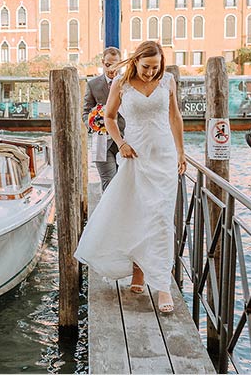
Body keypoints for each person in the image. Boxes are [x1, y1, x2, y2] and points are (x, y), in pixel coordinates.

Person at [74, 41, 186, 314]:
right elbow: (109, 117)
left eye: (155, 68)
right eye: (146, 67)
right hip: (135, 157)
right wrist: (121, 143)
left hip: (164, 157)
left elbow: (175, 117)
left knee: (160, 217)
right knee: (137, 214)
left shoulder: (167, 81)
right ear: (136, 61)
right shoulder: (121, 85)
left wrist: (181, 152)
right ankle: (138, 271)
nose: (150, 73)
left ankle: (162, 286)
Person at [83, 46, 126, 191]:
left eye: (115, 65)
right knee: (109, 182)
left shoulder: (128, 83)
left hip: (126, 140)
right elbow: (85, 112)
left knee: (125, 183)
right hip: (101, 142)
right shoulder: (93, 84)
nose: (111, 69)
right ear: (102, 62)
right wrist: (92, 125)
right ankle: (110, 213)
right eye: (108, 65)